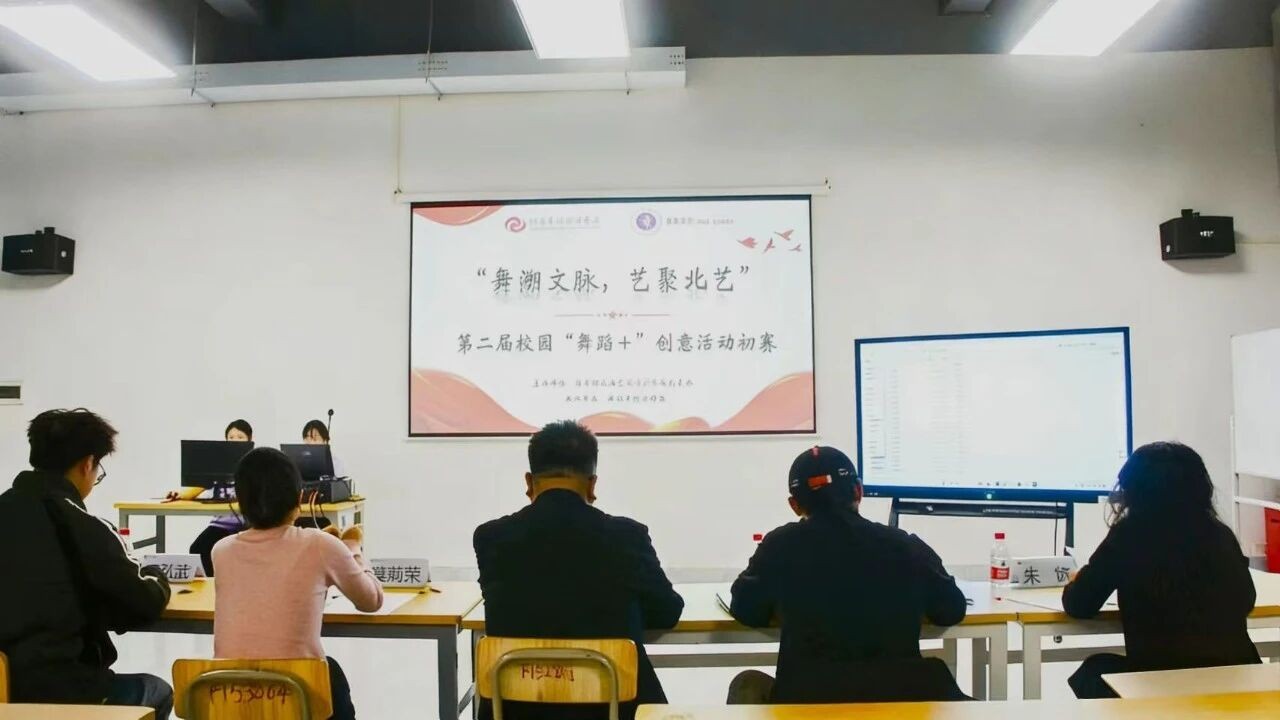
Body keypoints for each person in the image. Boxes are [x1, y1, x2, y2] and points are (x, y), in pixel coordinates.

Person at [473, 420, 683, 720]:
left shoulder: (491, 538)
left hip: (514, 710)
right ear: (592, 484)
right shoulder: (627, 536)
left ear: (529, 482)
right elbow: (667, 611)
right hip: (614, 711)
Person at [726, 446, 968, 704]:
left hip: (808, 703)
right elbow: (952, 609)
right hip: (897, 704)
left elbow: (745, 609)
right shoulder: (905, 545)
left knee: (747, 683)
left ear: (794, 505)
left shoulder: (779, 546)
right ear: (858, 491)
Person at [0, 409, 173, 717]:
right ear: (88, 464)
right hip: (64, 689)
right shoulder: (80, 525)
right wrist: (156, 574)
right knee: (156, 690)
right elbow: (144, 601)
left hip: (4, 687)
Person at [1063, 442, 1259, 698]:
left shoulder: (1129, 535)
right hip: (1237, 679)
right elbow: (1246, 600)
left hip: (1164, 682)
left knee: (1093, 671)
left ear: (1133, 491)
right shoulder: (1220, 534)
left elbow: (1079, 604)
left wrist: (1078, 580)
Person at [211, 447, 382, 720]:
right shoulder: (320, 545)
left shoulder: (221, 550)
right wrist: (352, 547)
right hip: (296, 697)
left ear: (239, 502)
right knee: (331, 673)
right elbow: (371, 600)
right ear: (298, 498)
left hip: (232, 697)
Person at [177, 419, 255, 575]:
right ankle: (213, 584)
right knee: (198, 547)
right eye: (231, 437)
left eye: (240, 437)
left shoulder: (253, 465)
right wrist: (177, 495)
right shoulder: (217, 465)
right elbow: (194, 489)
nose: (235, 441)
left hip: (247, 524)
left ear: (249, 440)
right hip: (220, 525)